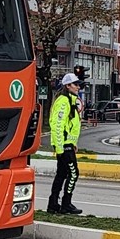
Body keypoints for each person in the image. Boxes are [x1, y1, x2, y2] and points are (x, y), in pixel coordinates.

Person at [47, 73, 83, 214]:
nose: (78, 87)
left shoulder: (69, 100)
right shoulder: (63, 101)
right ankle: (66, 203)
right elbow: (57, 126)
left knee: (61, 174)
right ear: (67, 86)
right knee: (73, 174)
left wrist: (73, 143)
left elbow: (70, 126)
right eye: (75, 84)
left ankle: (53, 204)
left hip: (67, 144)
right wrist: (61, 148)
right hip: (64, 146)